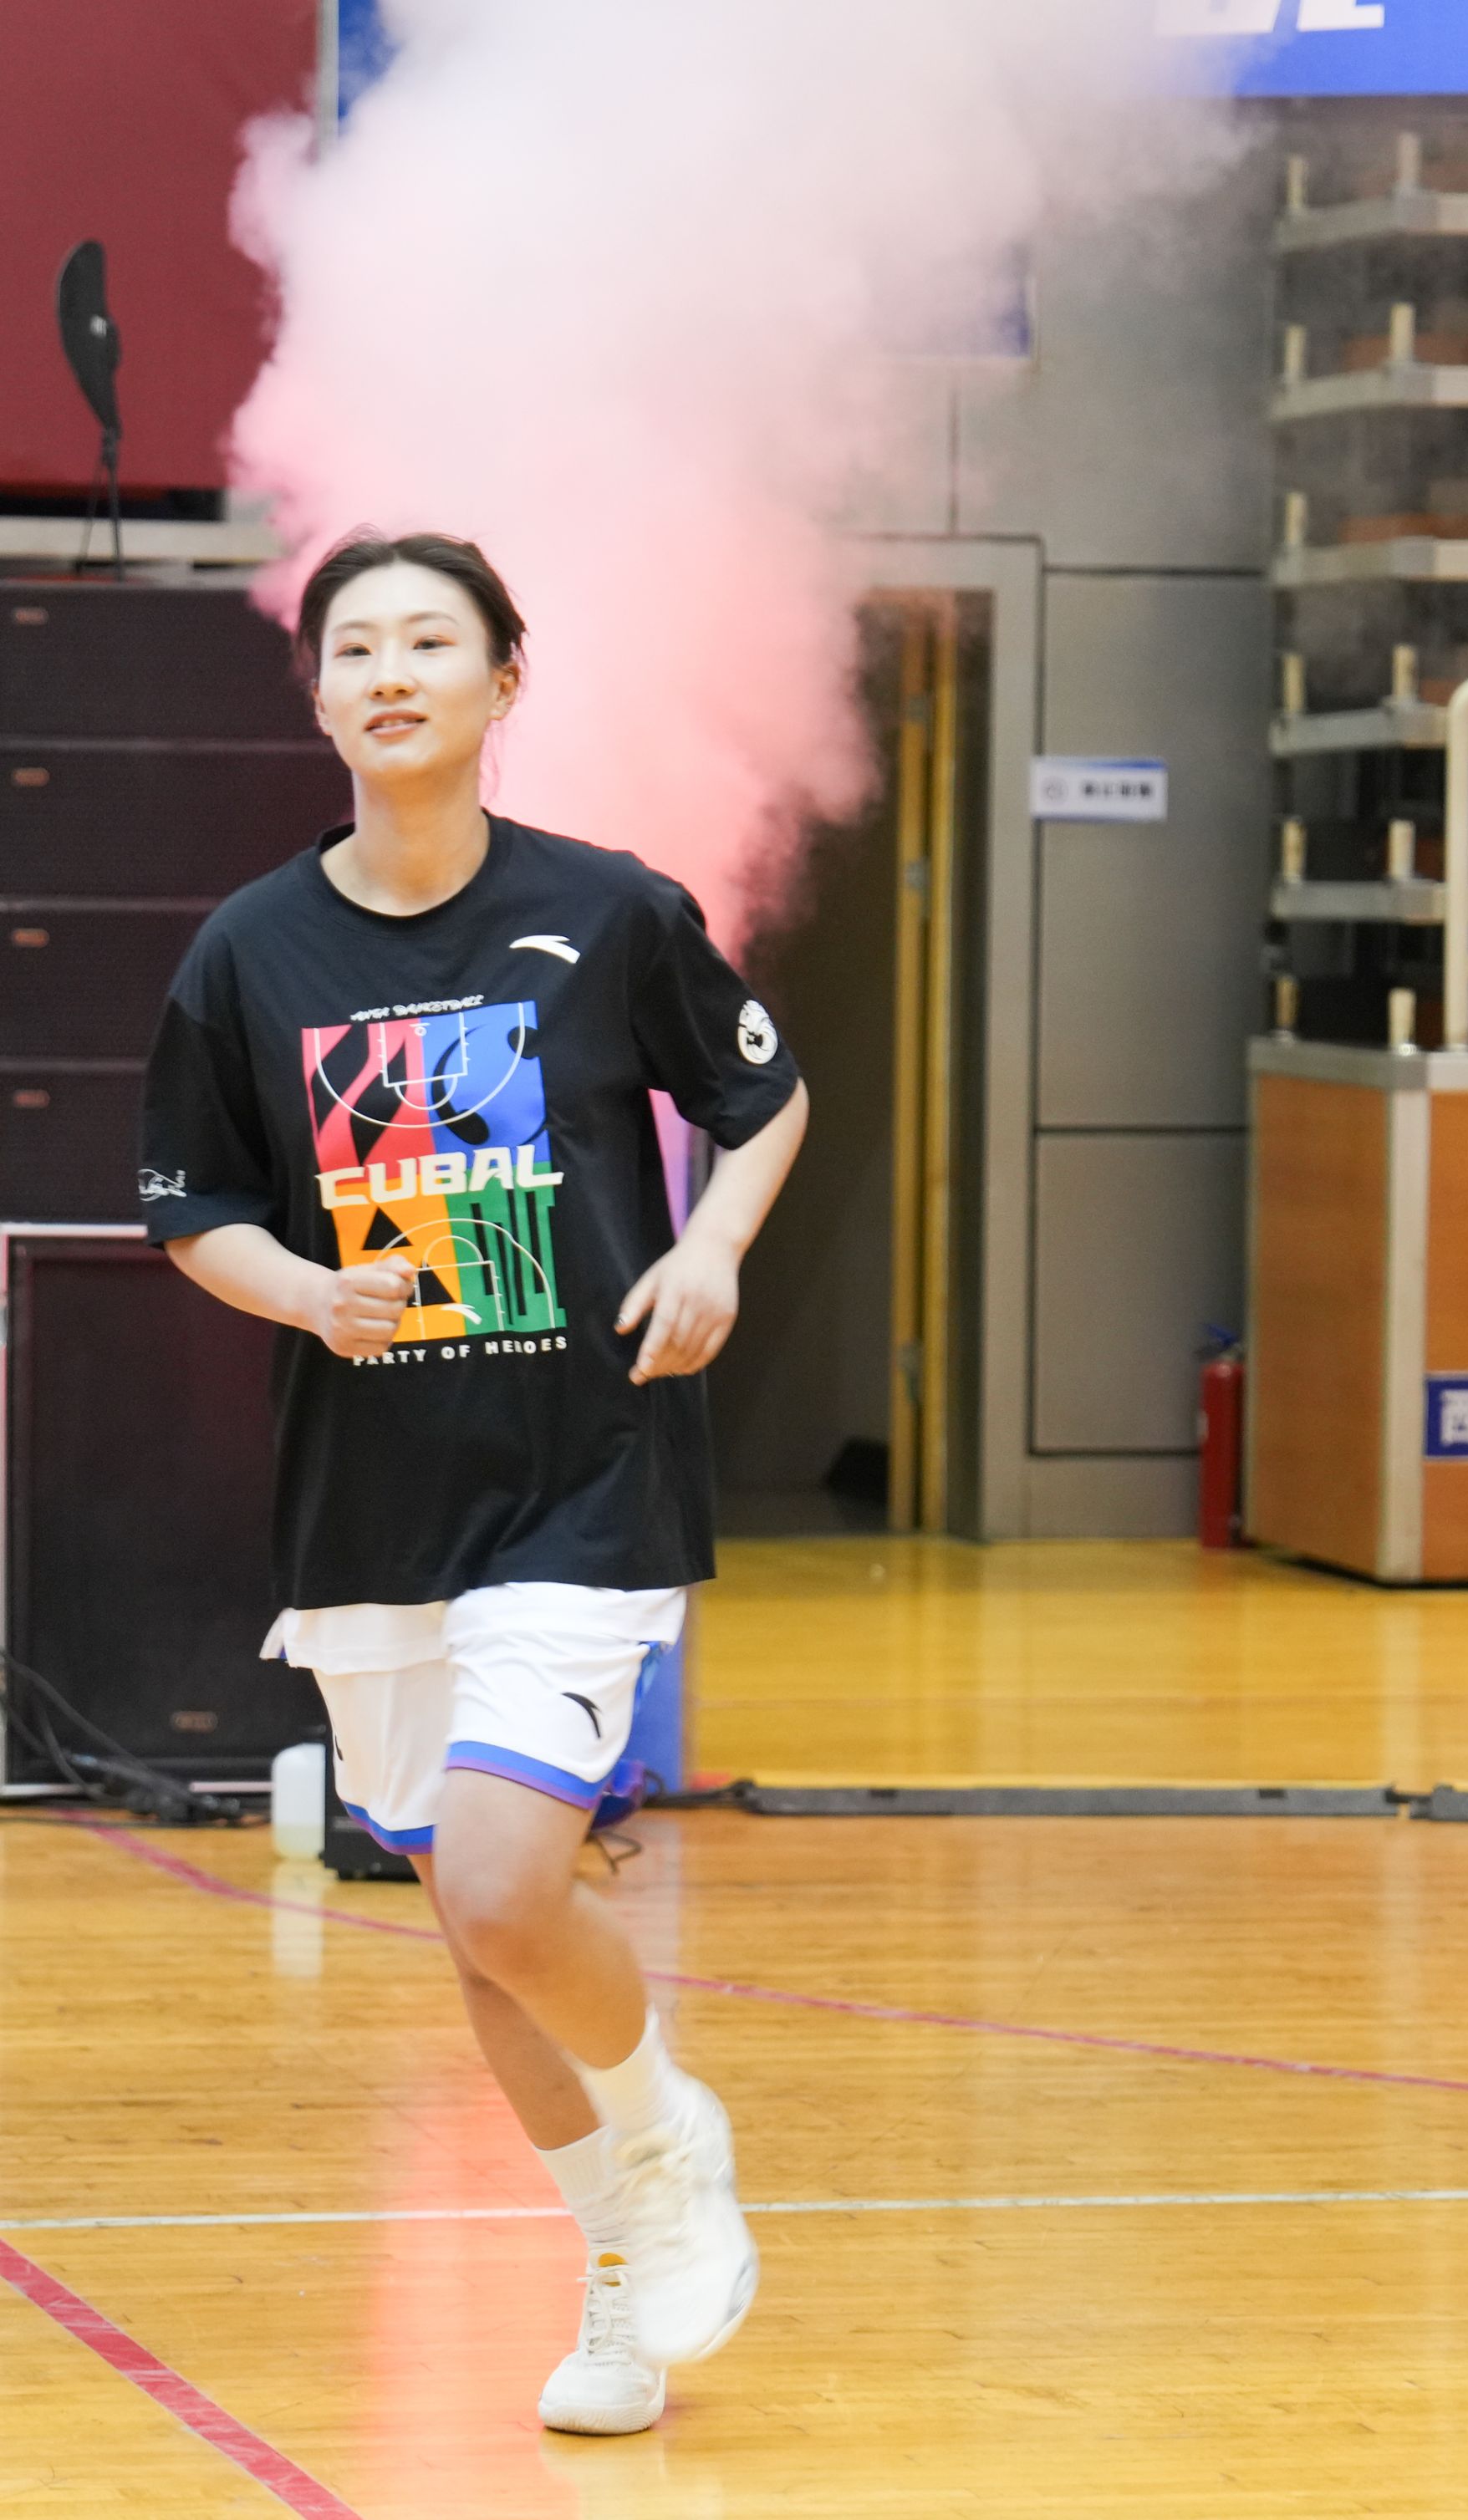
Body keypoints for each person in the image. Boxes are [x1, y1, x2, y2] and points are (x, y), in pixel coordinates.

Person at [139, 528, 808, 2436]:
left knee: (512, 1886)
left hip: (581, 1473)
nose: (391, 671)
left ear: (505, 680)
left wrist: (713, 1248)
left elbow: (762, 1094)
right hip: (371, 1505)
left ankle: (666, 2133)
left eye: (430, 639)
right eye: (355, 645)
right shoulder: (249, 949)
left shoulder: (607, 909)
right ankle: (619, 2267)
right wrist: (300, 1289)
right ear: (320, 693)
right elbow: (191, 1199)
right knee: (476, 1931)